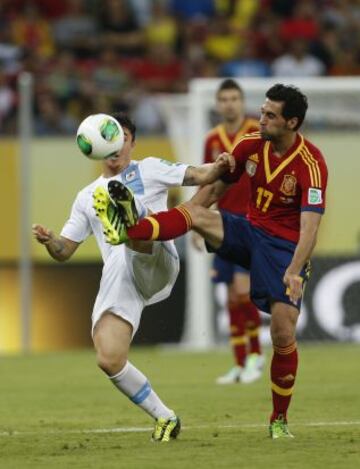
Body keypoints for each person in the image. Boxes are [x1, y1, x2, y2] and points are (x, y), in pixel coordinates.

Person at [102, 85, 328, 439]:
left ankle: (278, 419)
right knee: (198, 214)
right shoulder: (250, 144)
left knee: (283, 332)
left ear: (292, 122)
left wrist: (295, 269)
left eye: (271, 115)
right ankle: (135, 226)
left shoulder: (311, 166)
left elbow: (310, 226)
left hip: (285, 249)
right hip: (249, 230)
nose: (262, 119)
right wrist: (190, 216)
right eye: (263, 111)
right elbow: (208, 195)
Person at [32, 114, 234, 443]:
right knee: (108, 358)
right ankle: (165, 417)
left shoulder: (150, 167)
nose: (115, 144)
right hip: (121, 275)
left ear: (132, 143)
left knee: (137, 236)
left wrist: (221, 164)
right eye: (109, 137)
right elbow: (64, 251)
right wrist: (50, 240)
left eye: (122, 136)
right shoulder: (86, 197)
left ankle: (132, 219)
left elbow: (200, 174)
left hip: (157, 256)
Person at [192, 78, 264, 385]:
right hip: (221, 223)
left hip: (250, 222)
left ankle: (256, 356)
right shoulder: (212, 140)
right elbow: (209, 182)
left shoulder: (257, 133)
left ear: (242, 101)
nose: (229, 104)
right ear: (218, 104)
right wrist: (198, 222)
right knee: (231, 297)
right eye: (224, 99)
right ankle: (238, 363)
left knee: (242, 290)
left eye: (235, 98)